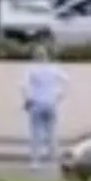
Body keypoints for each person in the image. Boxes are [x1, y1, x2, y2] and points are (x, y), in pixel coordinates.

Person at [21, 44, 68, 172]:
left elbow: (24, 86)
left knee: (36, 133)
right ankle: (51, 155)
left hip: (36, 103)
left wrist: (27, 100)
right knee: (51, 130)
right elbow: (66, 80)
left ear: (35, 57)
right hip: (51, 103)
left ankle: (35, 161)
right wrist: (60, 95)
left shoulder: (31, 69)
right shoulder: (53, 69)